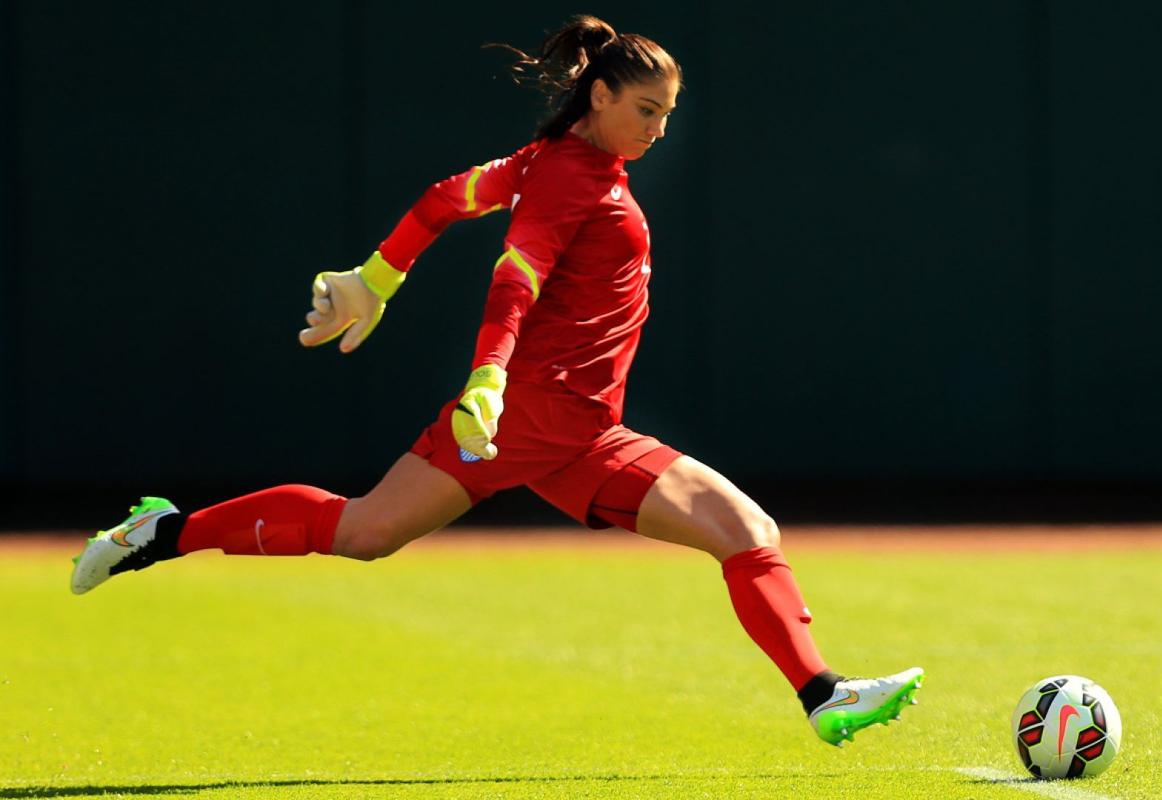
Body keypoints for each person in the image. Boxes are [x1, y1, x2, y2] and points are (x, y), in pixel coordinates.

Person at [70, 15, 922, 747]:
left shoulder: (549, 160)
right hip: (529, 415)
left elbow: (447, 198)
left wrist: (376, 277)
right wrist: (486, 380)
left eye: (668, 112)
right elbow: (518, 275)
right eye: (646, 109)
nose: (659, 127)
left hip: (581, 432)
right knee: (368, 531)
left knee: (741, 528)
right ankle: (162, 531)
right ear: (600, 98)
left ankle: (823, 695)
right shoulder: (568, 176)